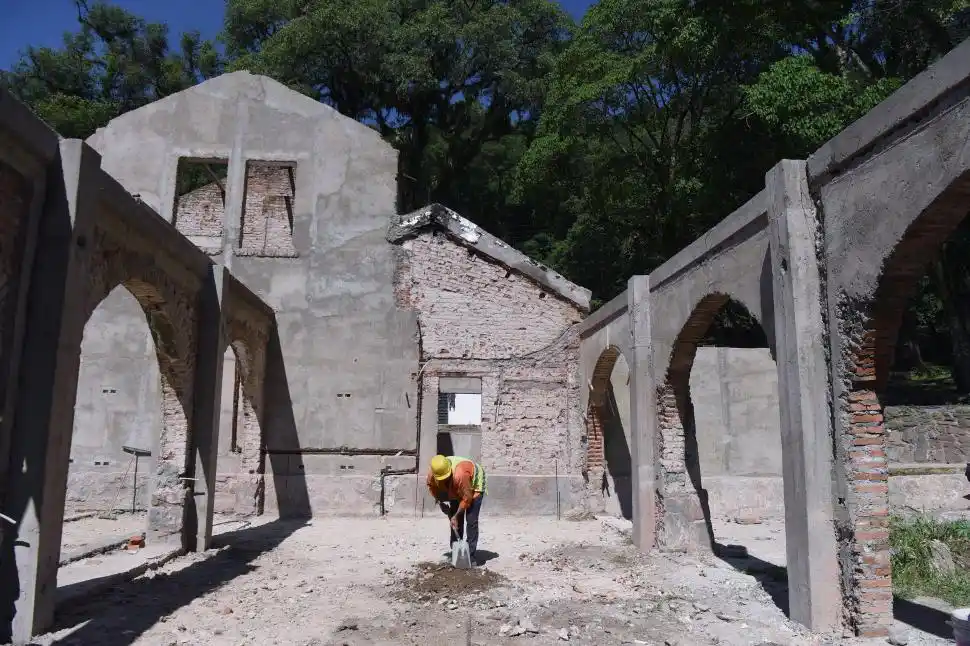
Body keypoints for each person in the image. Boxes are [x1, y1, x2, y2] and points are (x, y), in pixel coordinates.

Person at [426, 454, 487, 565]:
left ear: (449, 471)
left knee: (471, 520)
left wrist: (455, 515)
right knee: (455, 521)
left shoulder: (460, 475)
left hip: (474, 482)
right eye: (441, 479)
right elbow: (432, 487)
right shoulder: (433, 474)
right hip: (456, 485)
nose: (443, 480)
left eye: (446, 478)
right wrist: (440, 502)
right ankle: (456, 552)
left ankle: (470, 556)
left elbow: (467, 499)